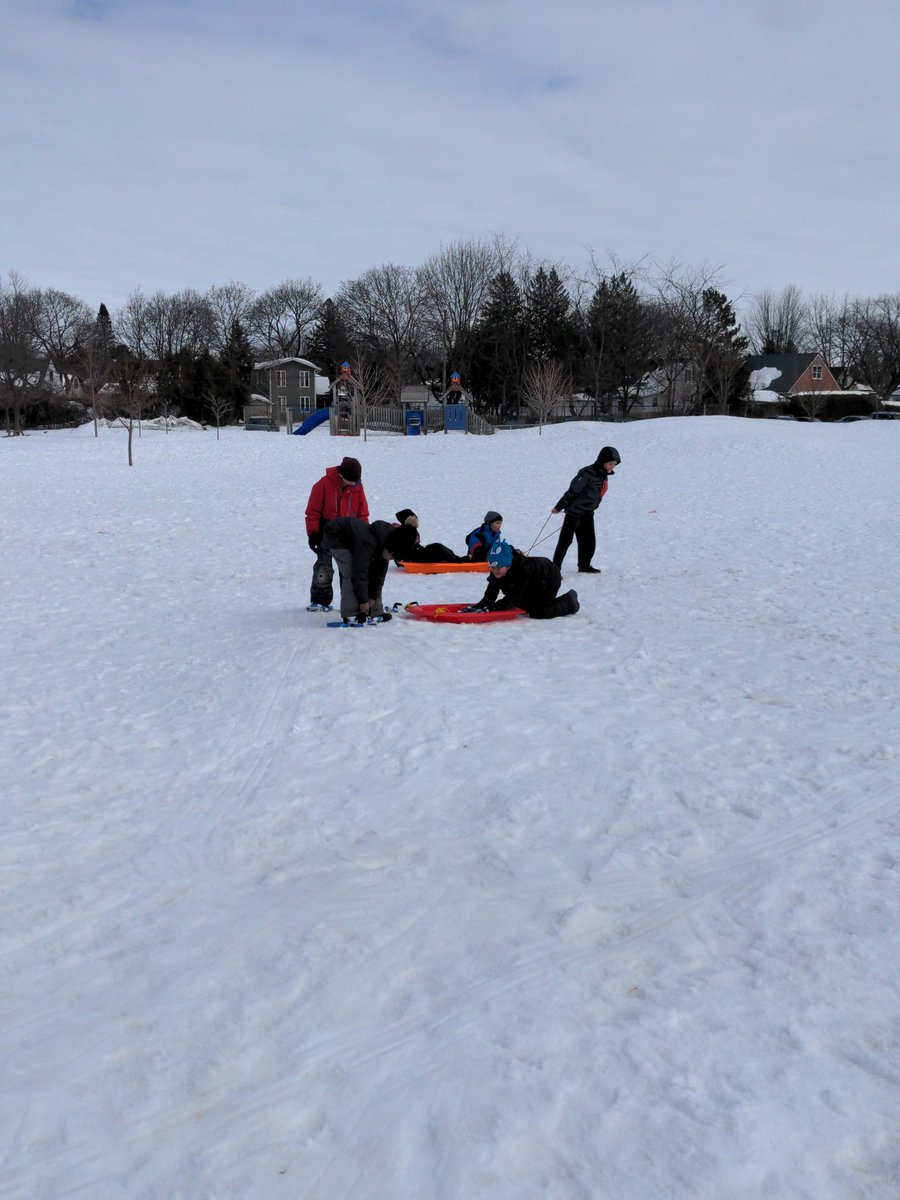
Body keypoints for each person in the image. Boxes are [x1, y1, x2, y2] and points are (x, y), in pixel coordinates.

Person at [305, 457, 368, 607]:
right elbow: (312, 512)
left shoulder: (357, 488)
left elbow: (362, 514)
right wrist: (313, 534)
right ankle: (320, 601)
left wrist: (363, 535)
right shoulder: (323, 485)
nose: (353, 483)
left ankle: (350, 604)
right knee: (323, 570)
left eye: (356, 481)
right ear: (341, 475)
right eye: (350, 480)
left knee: (348, 571)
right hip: (325, 534)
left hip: (348, 535)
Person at [550, 446, 621, 573]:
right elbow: (573, 491)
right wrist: (559, 506)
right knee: (565, 541)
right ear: (602, 460)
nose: (612, 467)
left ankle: (584, 565)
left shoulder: (603, 474)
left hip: (588, 512)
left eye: (614, 465)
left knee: (588, 542)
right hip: (574, 513)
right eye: (610, 463)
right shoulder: (587, 473)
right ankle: (555, 569)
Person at [471, 540, 579, 619]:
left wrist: (496, 607)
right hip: (532, 583)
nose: (494, 570)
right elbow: (491, 591)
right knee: (521, 602)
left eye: (498, 568)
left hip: (549, 578)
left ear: (508, 565)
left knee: (539, 611)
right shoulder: (497, 567)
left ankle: (570, 602)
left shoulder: (523, 570)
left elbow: (515, 595)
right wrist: (482, 605)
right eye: (492, 567)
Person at [320, 517, 398, 622]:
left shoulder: (383, 547)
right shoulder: (368, 543)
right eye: (392, 557)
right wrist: (363, 601)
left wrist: (372, 598)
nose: (391, 559)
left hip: (353, 539)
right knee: (350, 571)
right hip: (336, 536)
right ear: (391, 550)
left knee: (373, 572)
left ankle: (375, 611)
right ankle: (351, 613)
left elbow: (378, 576)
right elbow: (359, 573)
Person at [388, 509, 465, 564]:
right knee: (438, 548)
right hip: (414, 557)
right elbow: (399, 549)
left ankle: (456, 558)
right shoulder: (401, 531)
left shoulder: (409, 530)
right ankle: (458, 560)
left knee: (436, 546)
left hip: (418, 553)